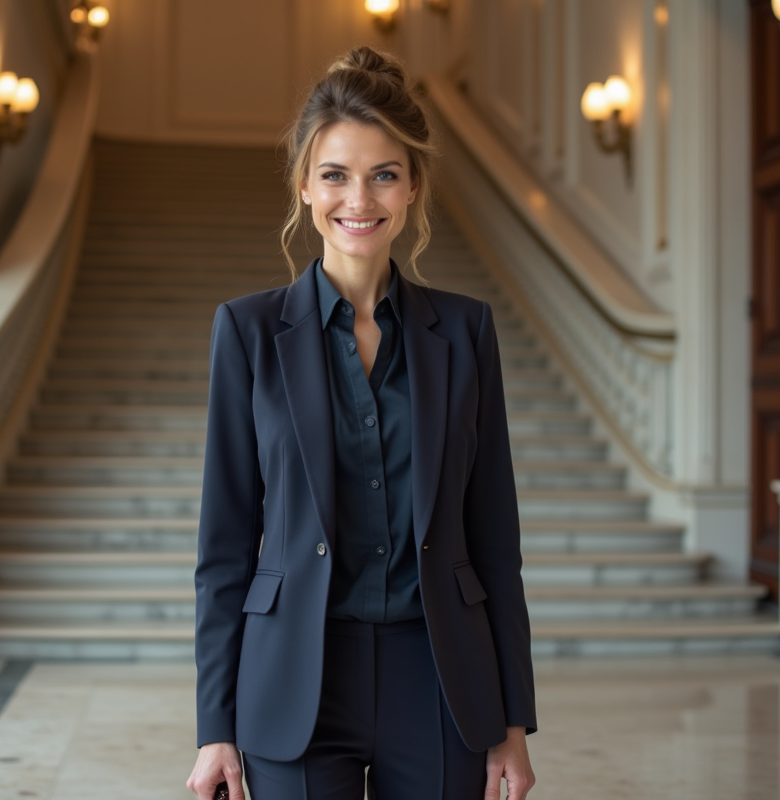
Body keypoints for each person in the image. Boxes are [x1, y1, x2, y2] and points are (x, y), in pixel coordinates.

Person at [186, 46, 536, 800]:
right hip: (294, 681)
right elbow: (224, 547)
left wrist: (513, 720)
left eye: (383, 174)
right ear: (304, 186)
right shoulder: (247, 332)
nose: (359, 198)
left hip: (440, 682)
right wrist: (215, 725)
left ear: (412, 187)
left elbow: (495, 540)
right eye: (335, 174)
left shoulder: (466, 332)